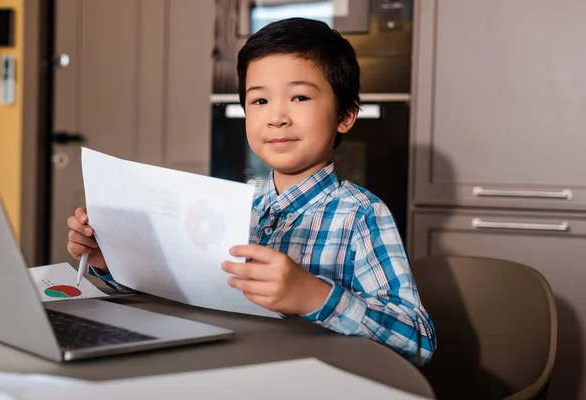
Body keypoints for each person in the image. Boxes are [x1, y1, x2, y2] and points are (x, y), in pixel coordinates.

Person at [67, 17, 436, 366]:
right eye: (259, 101)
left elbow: (418, 340)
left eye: (300, 98)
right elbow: (181, 290)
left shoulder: (360, 214)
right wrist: (110, 259)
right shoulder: (238, 206)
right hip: (234, 366)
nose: (277, 116)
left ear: (345, 115)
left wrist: (313, 295)